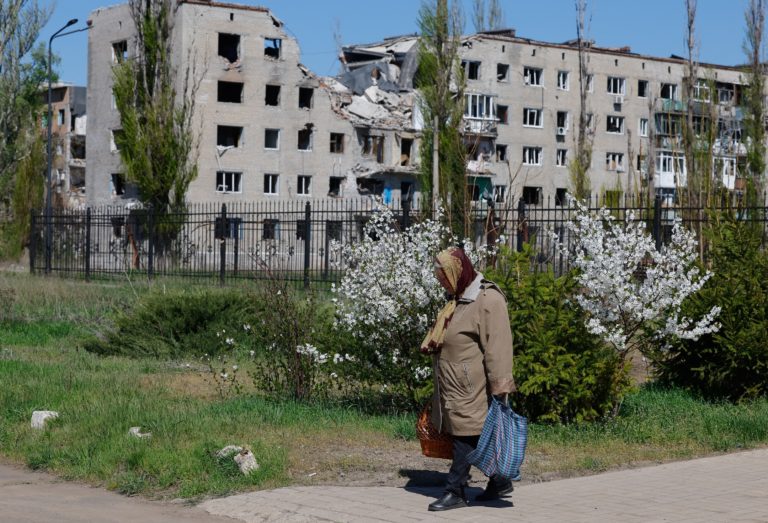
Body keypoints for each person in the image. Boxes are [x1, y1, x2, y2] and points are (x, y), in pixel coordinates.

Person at [421, 246, 515, 512]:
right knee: (472, 434)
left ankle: (456, 490)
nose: (441, 282)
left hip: (472, 386)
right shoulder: (458, 298)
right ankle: (499, 481)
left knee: (466, 436)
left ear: (458, 272)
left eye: (444, 277)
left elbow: (498, 346)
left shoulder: (488, 300)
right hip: (454, 385)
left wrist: (501, 386)